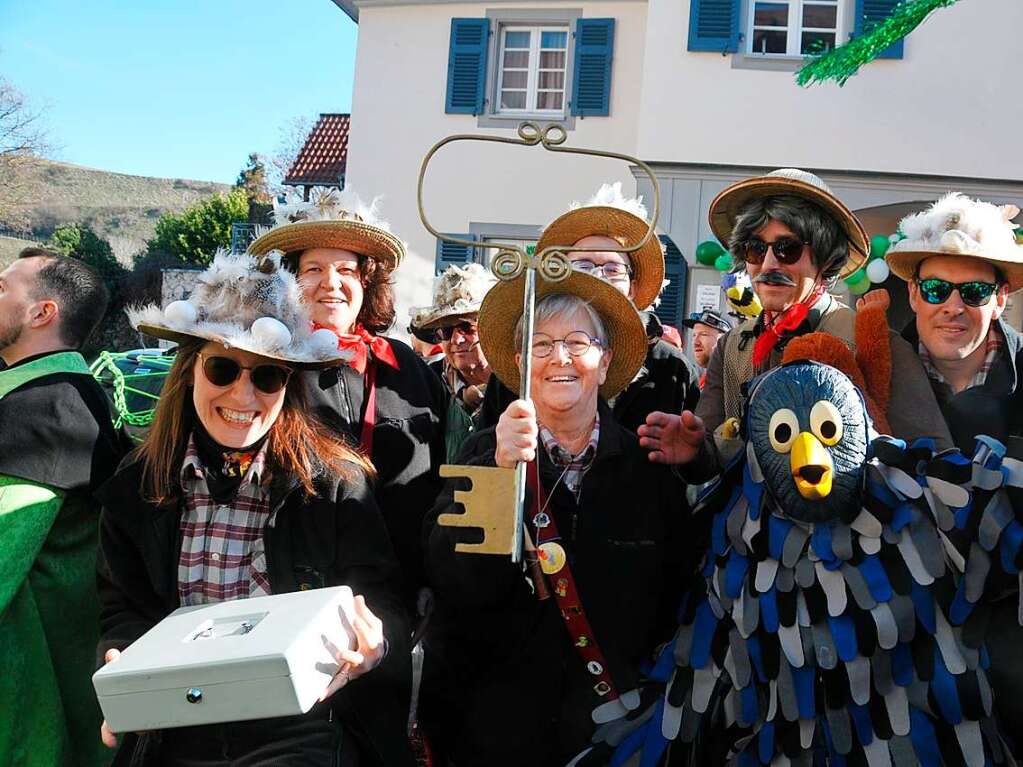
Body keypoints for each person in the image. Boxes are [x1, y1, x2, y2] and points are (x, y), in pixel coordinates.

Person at [98, 251, 412, 766]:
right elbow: (123, 607)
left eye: (268, 377)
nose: (244, 394)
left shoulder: (333, 483)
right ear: (189, 372)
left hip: (299, 725)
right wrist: (120, 658)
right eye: (222, 367)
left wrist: (374, 640)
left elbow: (382, 601)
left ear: (287, 388)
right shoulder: (138, 485)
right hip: (177, 721)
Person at [426, 271, 698, 766]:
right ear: (518, 362)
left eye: (578, 342)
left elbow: (677, 597)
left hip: (614, 731)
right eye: (542, 344)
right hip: (499, 734)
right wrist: (499, 471)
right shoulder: (482, 453)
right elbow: (457, 586)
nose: (559, 357)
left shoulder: (645, 465)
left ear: (606, 359)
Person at [640, 168, 952, 480]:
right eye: (756, 249)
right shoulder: (732, 346)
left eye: (788, 249)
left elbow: (931, 460)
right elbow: (710, 453)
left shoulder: (873, 340)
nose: (769, 264)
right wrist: (693, 451)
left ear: (826, 258)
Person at [247, 189, 447, 609]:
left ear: (365, 281)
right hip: (297, 592)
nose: (330, 283)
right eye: (313, 269)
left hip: (402, 591)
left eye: (345, 270)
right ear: (290, 281)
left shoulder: (406, 366)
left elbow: (441, 477)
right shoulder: (269, 367)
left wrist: (435, 575)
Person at [886, 192, 1023, 745]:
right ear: (914, 294)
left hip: (1009, 642)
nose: (953, 306)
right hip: (897, 639)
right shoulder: (868, 376)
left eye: (974, 292)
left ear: (1002, 298)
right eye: (938, 289)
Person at [0, 248, 126, 767]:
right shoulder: (64, 394)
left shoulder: (44, 410)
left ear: (41, 312)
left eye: (3, 286)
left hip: (32, 707)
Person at [478, 182, 699, 434]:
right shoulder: (528, 358)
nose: (597, 277)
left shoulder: (671, 369)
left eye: (613, 269)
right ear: (558, 275)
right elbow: (481, 455)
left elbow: (695, 462)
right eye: (583, 265)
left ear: (633, 287)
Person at [410, 262, 495, 461]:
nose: (456, 340)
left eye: (467, 328)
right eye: (446, 332)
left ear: (490, 331)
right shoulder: (428, 383)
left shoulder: (515, 383)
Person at [681, 309, 731, 386]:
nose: (695, 342)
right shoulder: (706, 378)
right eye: (694, 335)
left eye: (704, 334)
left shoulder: (730, 381)